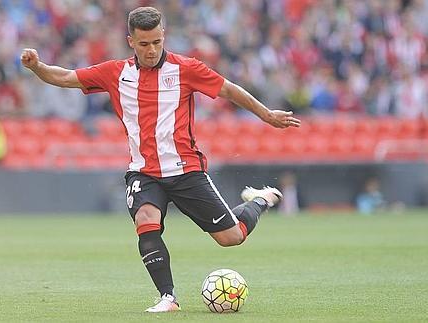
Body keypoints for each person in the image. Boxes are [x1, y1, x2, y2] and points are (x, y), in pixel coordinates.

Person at [21, 7, 301, 313]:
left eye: (156, 41)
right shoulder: (115, 73)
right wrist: (37, 67)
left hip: (186, 170)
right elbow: (65, 77)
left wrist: (267, 115)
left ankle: (259, 200)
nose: (151, 49)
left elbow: (230, 91)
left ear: (163, 36)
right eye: (144, 44)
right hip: (144, 172)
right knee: (146, 220)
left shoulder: (186, 68)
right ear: (131, 41)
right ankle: (168, 297)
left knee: (231, 238)